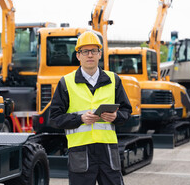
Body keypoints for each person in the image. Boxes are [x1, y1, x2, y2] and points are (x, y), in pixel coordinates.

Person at [49, 31, 132, 185]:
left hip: (107, 150)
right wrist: (80, 119)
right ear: (78, 55)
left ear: (99, 54)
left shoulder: (114, 80)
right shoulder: (66, 83)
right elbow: (54, 118)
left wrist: (116, 117)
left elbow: (127, 111)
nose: (89, 55)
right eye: (84, 51)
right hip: (80, 152)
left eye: (93, 51)